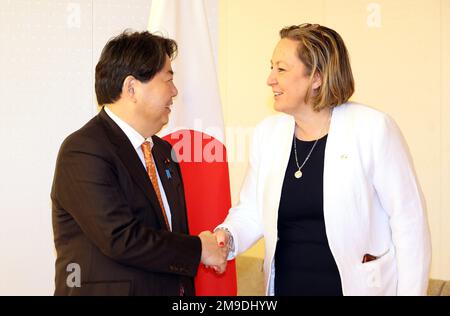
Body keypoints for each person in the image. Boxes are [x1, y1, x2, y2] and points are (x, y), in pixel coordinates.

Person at [213, 23, 431, 296]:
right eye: (271, 67)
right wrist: (227, 237)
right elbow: (252, 211)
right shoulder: (268, 134)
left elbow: (409, 224)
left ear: (316, 77)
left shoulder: (373, 129)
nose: (270, 78)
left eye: (281, 69)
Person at [51, 30, 227, 296]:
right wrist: (199, 249)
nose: (175, 91)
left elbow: (169, 235)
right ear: (132, 87)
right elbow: (120, 238)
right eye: (168, 79)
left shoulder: (163, 151)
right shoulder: (83, 149)